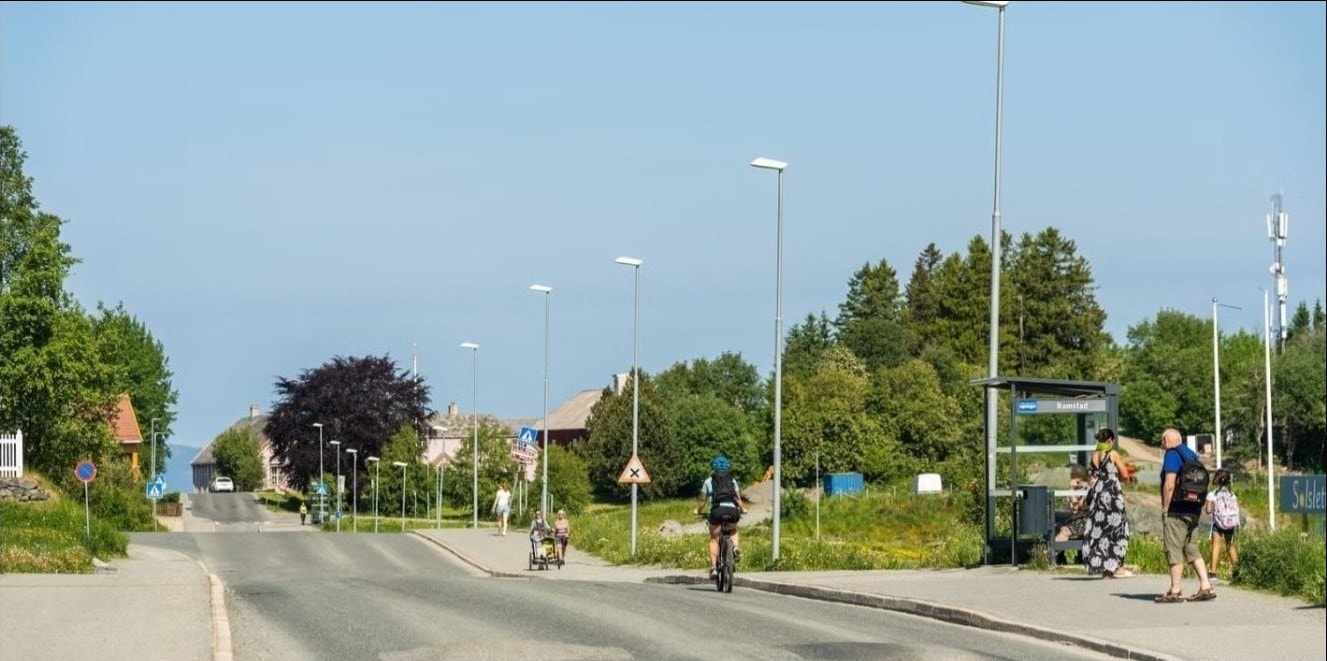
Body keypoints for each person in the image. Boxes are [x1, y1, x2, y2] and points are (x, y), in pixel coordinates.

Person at [1157, 428, 1215, 603]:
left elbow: (1169, 485)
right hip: (1194, 509)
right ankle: (1205, 585)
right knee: (1191, 547)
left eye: (1162, 441)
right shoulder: (1192, 455)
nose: (1161, 445)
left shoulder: (1172, 455)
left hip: (1177, 509)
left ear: (1166, 440)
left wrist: (1165, 508)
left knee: (1173, 547)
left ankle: (1175, 590)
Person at [1081, 428, 1133, 578]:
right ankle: (1117, 567)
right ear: (1110, 440)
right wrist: (1119, 478)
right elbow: (1125, 474)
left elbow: (1091, 476)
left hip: (1098, 495)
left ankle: (1105, 568)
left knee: (1101, 530)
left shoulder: (1093, 455)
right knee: (1118, 529)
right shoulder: (1113, 454)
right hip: (1112, 496)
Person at [693, 455, 747, 580]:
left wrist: (697, 510)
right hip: (732, 511)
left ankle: (713, 569)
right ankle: (735, 547)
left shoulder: (708, 481)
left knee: (714, 539)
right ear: (728, 467)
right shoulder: (732, 481)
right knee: (733, 530)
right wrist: (743, 509)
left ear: (714, 467)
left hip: (717, 511)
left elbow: (702, 501)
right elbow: (738, 499)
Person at [1206, 468, 1240, 579]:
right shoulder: (1232, 495)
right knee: (1230, 545)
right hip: (1230, 524)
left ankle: (1212, 573)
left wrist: (1213, 508)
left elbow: (1208, 510)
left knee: (1216, 546)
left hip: (1218, 524)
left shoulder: (1212, 494)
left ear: (1217, 480)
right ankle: (1237, 571)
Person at [1053, 465, 1090, 564]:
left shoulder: (1085, 488)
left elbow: (1076, 507)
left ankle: (1052, 554)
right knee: (1056, 525)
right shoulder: (1077, 488)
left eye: (1073, 477)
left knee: (1063, 528)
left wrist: (1071, 490)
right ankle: (1060, 557)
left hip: (1082, 519)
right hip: (1075, 517)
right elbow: (1069, 506)